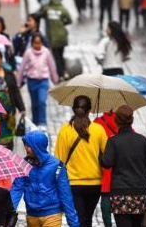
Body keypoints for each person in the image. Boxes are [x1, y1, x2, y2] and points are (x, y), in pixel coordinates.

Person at [100, 105, 146, 227]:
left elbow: (107, 163)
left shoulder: (113, 141)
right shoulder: (142, 140)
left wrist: (100, 153)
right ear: (131, 119)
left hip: (120, 194)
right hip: (140, 192)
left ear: (116, 121)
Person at [54, 95, 108, 227]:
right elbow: (107, 156)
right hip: (95, 184)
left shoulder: (65, 130)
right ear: (89, 111)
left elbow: (58, 160)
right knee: (87, 219)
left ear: (73, 109)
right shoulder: (98, 130)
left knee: (78, 220)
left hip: (72, 183)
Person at [11, 130, 80, 227]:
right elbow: (17, 188)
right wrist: (8, 212)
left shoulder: (57, 166)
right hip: (32, 215)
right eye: (25, 145)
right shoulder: (24, 165)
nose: (26, 148)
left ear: (37, 147)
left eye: (29, 146)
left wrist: (74, 223)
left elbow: (65, 195)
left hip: (52, 214)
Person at [17, 34, 59, 127]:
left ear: (42, 43)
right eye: (35, 43)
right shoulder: (28, 53)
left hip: (43, 81)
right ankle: (35, 123)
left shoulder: (46, 52)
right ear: (32, 43)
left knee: (41, 101)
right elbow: (22, 67)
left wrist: (55, 79)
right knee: (34, 104)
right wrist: (18, 82)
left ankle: (42, 123)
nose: (37, 45)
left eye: (39, 43)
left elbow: (51, 66)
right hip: (32, 81)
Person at [94, 112, 119, 227]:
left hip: (105, 165)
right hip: (120, 167)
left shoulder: (98, 122)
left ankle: (108, 224)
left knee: (106, 195)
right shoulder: (121, 121)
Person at [39, 0, 72, 80]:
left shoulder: (47, 10)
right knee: (61, 55)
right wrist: (62, 23)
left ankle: (60, 74)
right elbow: (69, 20)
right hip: (62, 37)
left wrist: (45, 6)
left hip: (53, 37)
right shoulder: (63, 9)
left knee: (56, 57)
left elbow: (39, 14)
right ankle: (64, 73)